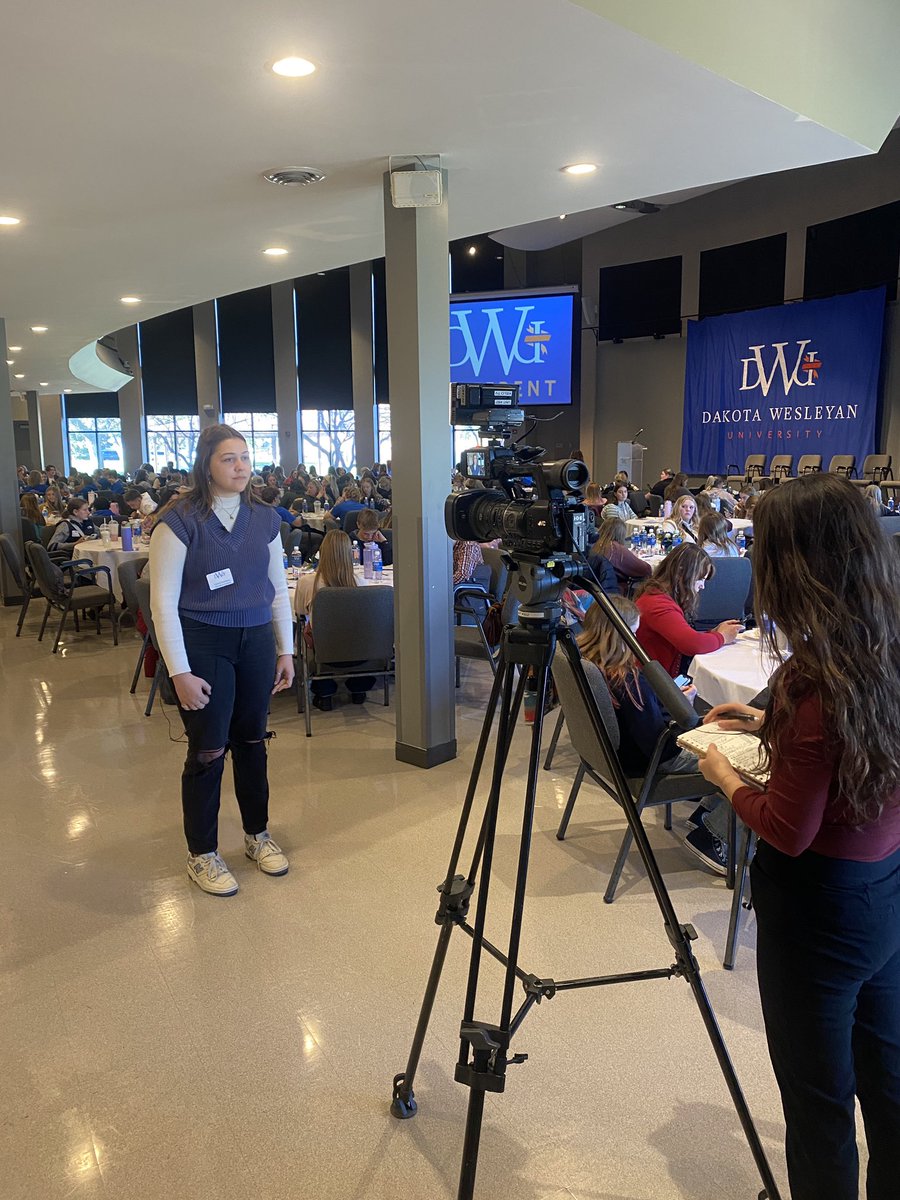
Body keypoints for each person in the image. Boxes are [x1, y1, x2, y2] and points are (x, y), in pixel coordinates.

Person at [696, 473, 900, 1200]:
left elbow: (787, 829)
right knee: (888, 1078)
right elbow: (857, 747)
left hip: (818, 914)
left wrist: (725, 776)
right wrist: (769, 724)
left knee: (817, 1103)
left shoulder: (811, 684)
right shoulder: (882, 649)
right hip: (884, 892)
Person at [148, 424, 295, 897]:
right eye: (229, 458)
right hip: (204, 642)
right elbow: (162, 604)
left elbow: (277, 591)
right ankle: (202, 854)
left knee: (252, 741)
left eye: (245, 457)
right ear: (206, 465)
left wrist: (286, 649)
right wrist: (179, 671)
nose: (241, 466)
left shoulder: (265, 518)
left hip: (256, 640)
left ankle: (257, 835)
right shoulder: (179, 521)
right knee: (208, 749)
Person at [577, 594, 731, 872]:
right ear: (620, 636)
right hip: (650, 762)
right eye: (634, 634)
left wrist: (664, 704)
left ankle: (706, 813)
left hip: (618, 757)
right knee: (743, 760)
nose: (638, 641)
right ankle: (714, 836)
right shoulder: (628, 680)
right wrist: (684, 713)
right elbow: (660, 744)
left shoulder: (587, 665)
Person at [292, 529, 375, 710]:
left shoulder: (307, 583)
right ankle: (359, 687)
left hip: (323, 652)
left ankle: (324, 691)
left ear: (322, 552)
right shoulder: (361, 583)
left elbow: (299, 613)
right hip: (360, 652)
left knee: (305, 628)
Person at [635, 543, 742, 678]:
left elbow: (684, 636)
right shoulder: (658, 604)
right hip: (654, 682)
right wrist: (722, 637)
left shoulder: (656, 596)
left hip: (657, 676)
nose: (702, 586)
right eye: (700, 579)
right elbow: (692, 644)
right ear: (680, 573)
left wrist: (713, 633)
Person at [591, 516, 651, 594]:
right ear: (621, 534)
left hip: (595, 591)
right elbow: (645, 570)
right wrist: (632, 556)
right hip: (614, 592)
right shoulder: (615, 549)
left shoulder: (594, 544)